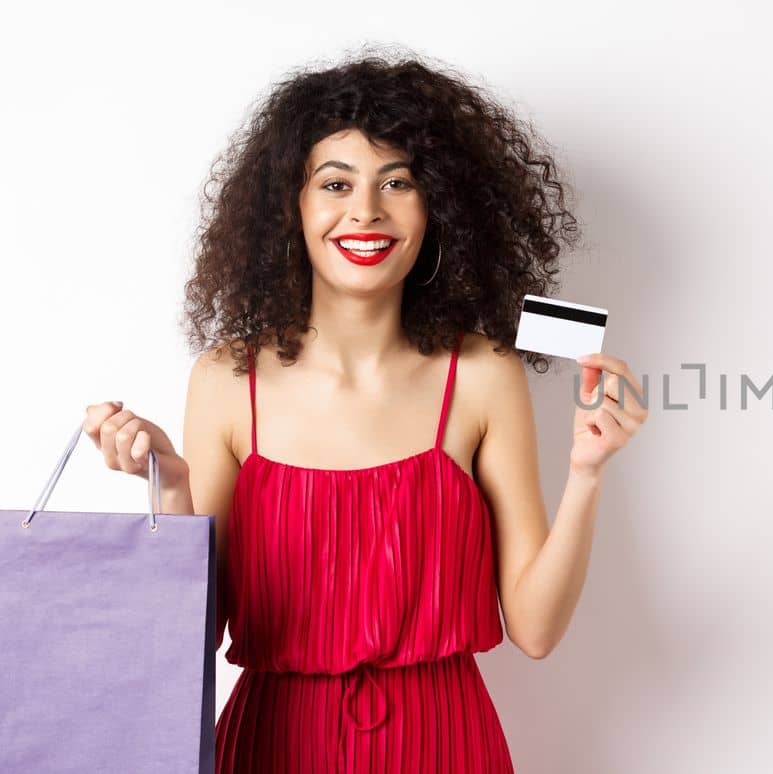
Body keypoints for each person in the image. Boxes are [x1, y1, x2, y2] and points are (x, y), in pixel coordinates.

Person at [77, 47, 647, 773]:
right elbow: (191, 639)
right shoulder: (228, 378)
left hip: (446, 745)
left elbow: (534, 630)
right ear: (292, 206)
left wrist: (589, 471)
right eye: (335, 183)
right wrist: (170, 486)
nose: (366, 211)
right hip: (273, 746)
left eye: (398, 182)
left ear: (437, 204)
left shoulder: (482, 375)